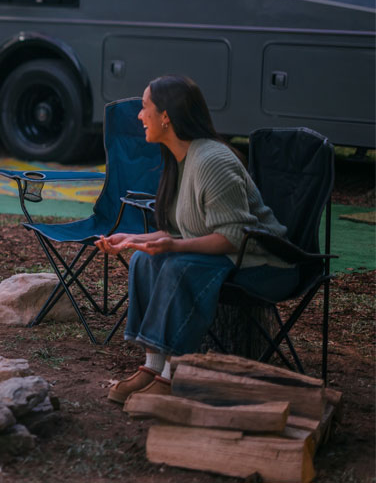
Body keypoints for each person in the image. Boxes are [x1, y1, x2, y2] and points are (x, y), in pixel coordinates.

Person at [95, 75, 297, 404]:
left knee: (179, 265)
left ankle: (173, 375)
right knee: (144, 258)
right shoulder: (181, 160)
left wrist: (174, 247)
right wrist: (130, 238)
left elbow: (233, 237)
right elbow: (182, 230)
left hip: (265, 264)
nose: (139, 115)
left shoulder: (211, 161)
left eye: (145, 107)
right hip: (229, 256)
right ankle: (153, 366)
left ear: (166, 116)